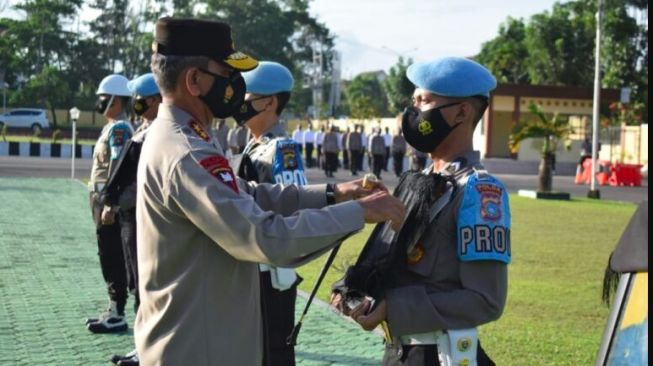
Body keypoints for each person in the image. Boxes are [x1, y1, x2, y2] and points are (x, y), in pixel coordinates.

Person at [136, 17, 406, 366]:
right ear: (194, 81)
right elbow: (264, 236)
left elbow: (248, 194)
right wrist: (359, 213)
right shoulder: (186, 150)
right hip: (197, 349)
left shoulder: (185, 137)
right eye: (228, 73)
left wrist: (334, 193)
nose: (236, 85)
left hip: (201, 339)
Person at [332, 57, 510, 366]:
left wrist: (393, 308)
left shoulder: (479, 191)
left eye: (425, 101)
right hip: (398, 352)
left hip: (438, 355)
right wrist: (352, 290)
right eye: (413, 101)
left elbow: (486, 301)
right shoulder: (419, 180)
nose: (413, 112)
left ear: (461, 112)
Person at [233, 60, 307, 366]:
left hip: (269, 270)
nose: (240, 104)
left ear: (270, 102)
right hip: (249, 263)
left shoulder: (281, 149)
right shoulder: (253, 145)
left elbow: (292, 206)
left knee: (273, 351)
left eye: (247, 98)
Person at [101, 73, 161, 366]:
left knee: (145, 285)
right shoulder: (143, 129)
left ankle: (146, 350)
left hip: (142, 217)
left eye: (142, 100)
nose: (136, 104)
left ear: (155, 101)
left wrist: (116, 203)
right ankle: (142, 346)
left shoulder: (157, 133)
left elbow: (142, 183)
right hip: (129, 217)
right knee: (136, 283)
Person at [85, 74, 134, 334]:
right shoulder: (112, 126)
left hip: (108, 202)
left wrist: (111, 205)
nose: (100, 102)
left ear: (116, 100)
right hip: (101, 198)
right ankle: (113, 307)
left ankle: (117, 313)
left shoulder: (119, 129)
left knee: (113, 256)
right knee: (107, 254)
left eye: (103, 98)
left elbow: (117, 169)